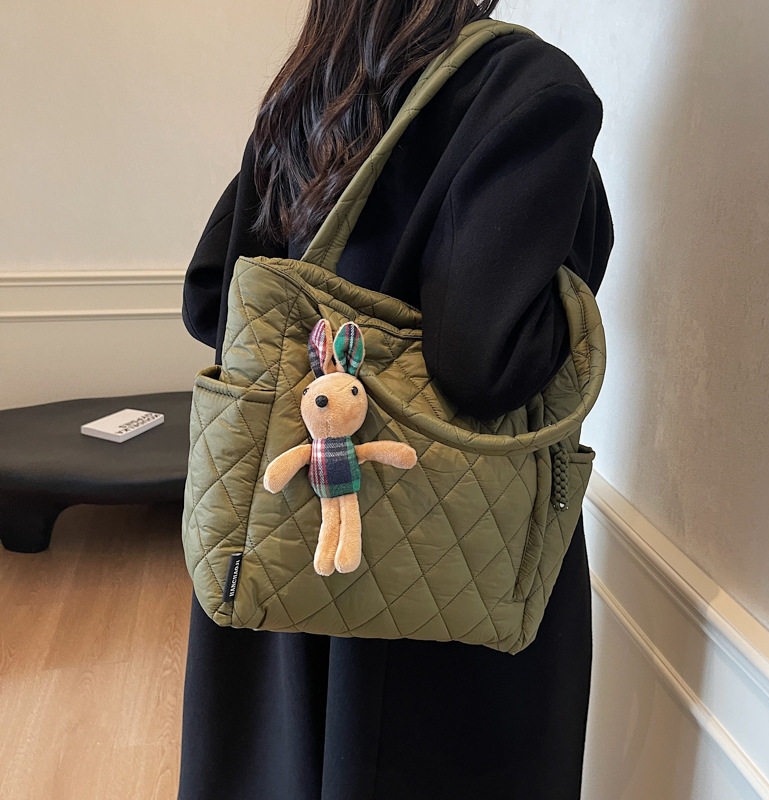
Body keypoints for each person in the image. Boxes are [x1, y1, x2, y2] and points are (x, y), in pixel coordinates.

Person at [179, 2, 613, 798]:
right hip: (448, 571)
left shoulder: (316, 82)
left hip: (284, 541)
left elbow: (212, 301)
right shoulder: (529, 87)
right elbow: (482, 366)